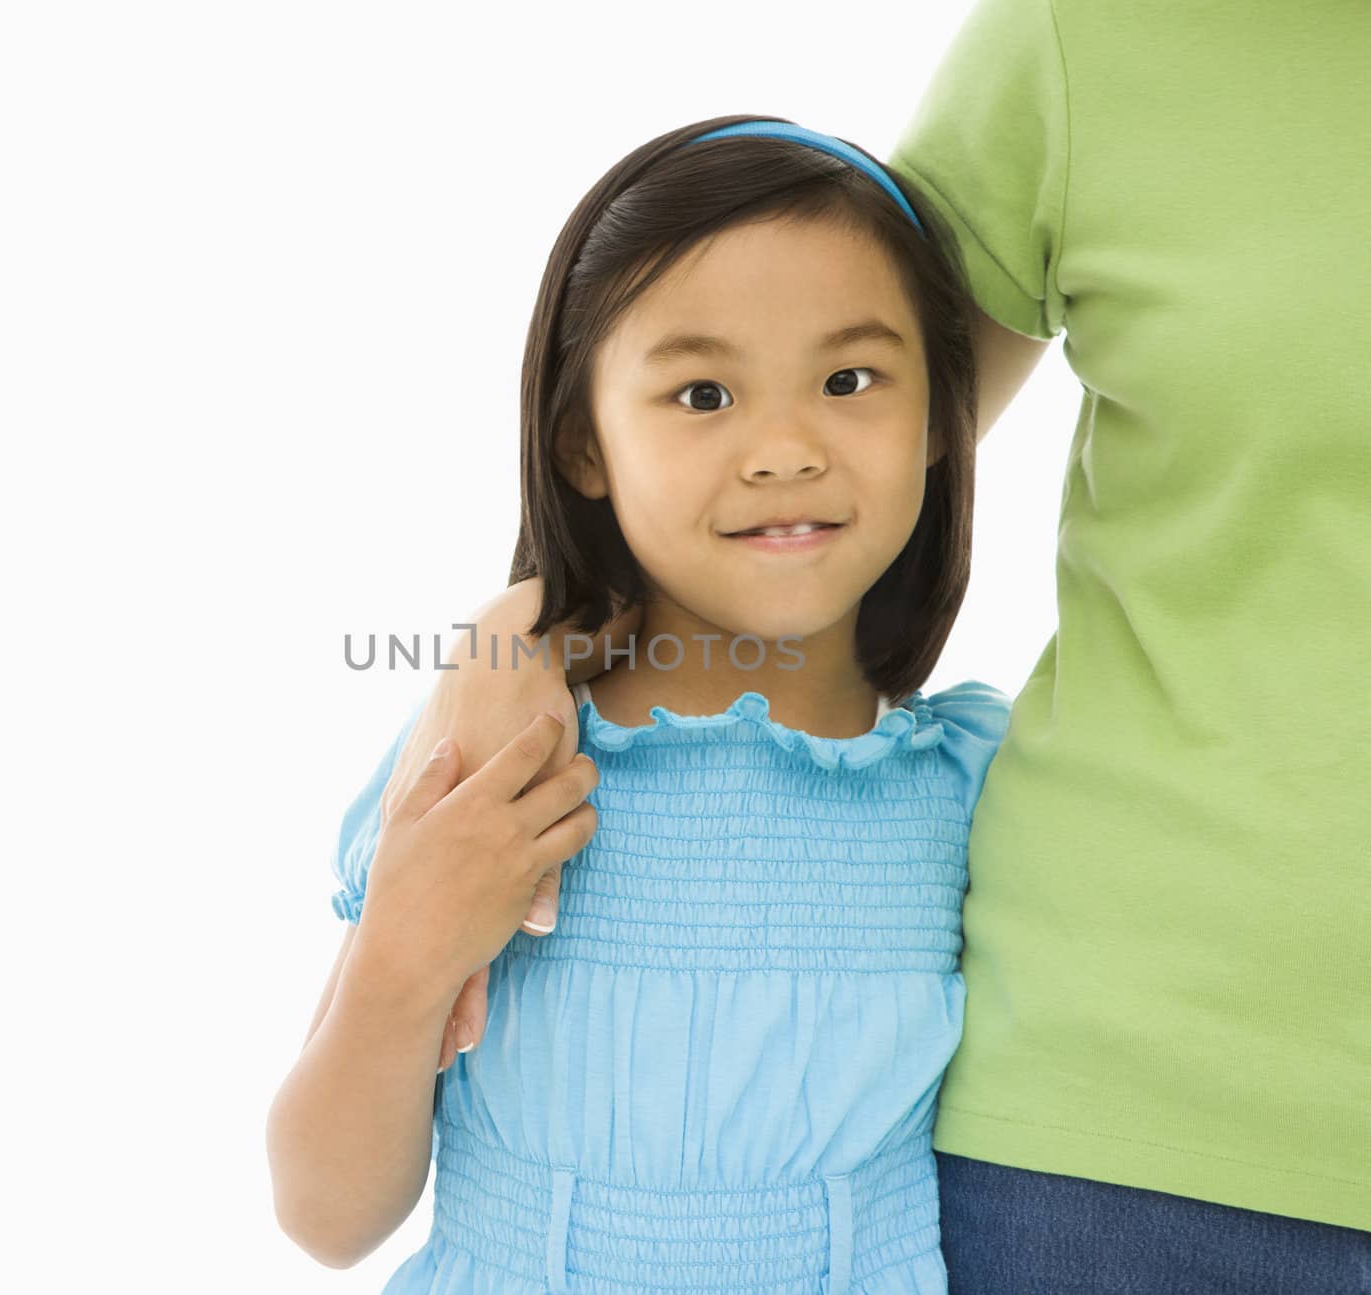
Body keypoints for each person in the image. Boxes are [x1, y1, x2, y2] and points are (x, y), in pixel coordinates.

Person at [375, 1, 1371, 1289]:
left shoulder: (937, 780)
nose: (785, 439)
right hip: (1134, 1138)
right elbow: (794, 359)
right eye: (709, 396)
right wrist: (520, 629)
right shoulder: (1090, 41)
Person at [267, 114, 1015, 1292]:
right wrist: (410, 950)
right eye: (703, 392)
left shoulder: (976, 785)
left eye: (850, 378)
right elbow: (326, 1215)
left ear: (936, 420)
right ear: (583, 444)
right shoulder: (496, 769)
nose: (784, 447)